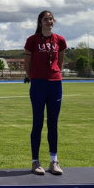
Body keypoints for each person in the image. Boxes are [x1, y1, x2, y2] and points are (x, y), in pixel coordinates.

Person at [23, 10, 67, 175]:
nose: (49, 21)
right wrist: (34, 78)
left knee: (53, 123)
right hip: (38, 84)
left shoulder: (60, 40)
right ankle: (35, 162)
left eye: (51, 19)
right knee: (38, 123)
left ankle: (54, 161)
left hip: (55, 84)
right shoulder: (32, 40)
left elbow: (60, 62)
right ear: (40, 22)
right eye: (45, 19)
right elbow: (27, 64)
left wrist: (53, 74)